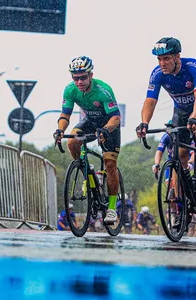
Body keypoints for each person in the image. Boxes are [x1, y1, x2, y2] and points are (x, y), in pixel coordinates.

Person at [136, 37, 196, 191]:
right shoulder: (158, 74)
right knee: (181, 154)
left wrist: (194, 117)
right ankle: (187, 194)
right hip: (180, 111)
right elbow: (150, 101)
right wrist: (144, 123)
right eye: (159, 59)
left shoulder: (193, 66)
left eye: (166, 58)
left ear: (177, 56)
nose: (162, 63)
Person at [53, 56, 121, 224]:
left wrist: (106, 129)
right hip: (90, 121)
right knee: (72, 141)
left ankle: (111, 208)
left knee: (110, 163)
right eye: (75, 78)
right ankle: (86, 169)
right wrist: (60, 130)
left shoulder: (103, 90)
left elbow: (116, 118)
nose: (79, 81)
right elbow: (65, 115)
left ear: (91, 75)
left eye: (83, 77)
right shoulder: (70, 90)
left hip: (109, 124)